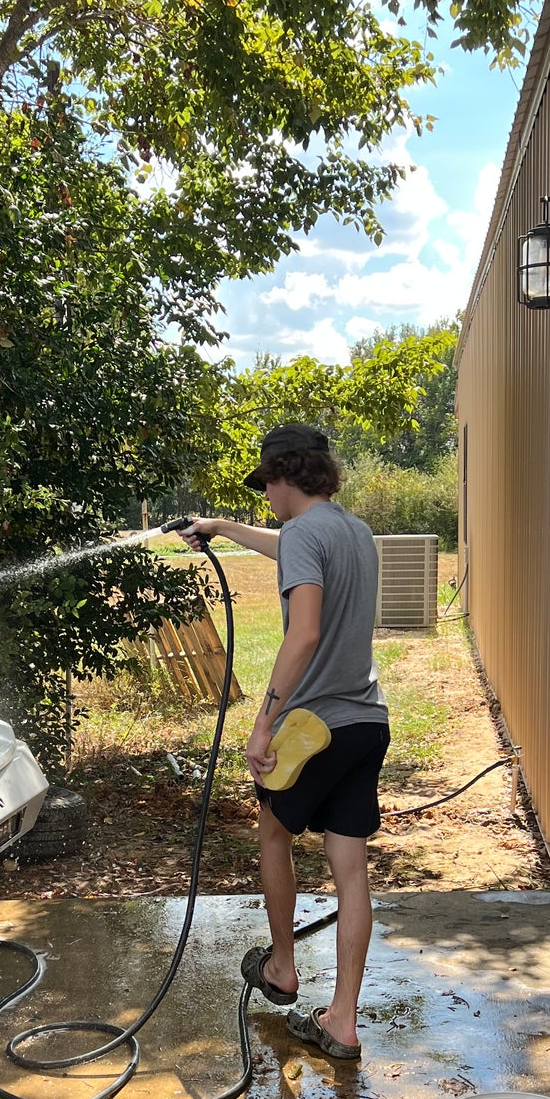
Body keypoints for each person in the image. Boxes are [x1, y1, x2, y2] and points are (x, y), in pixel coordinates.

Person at [184, 423, 389, 1061]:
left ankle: (282, 968)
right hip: (367, 723)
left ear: (283, 475)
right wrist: (222, 527)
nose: (267, 497)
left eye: (266, 484)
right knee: (350, 872)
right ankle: (342, 1022)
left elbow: (303, 634)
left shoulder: (304, 535)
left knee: (274, 834)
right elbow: (289, 545)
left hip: (312, 730)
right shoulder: (353, 531)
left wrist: (262, 721)